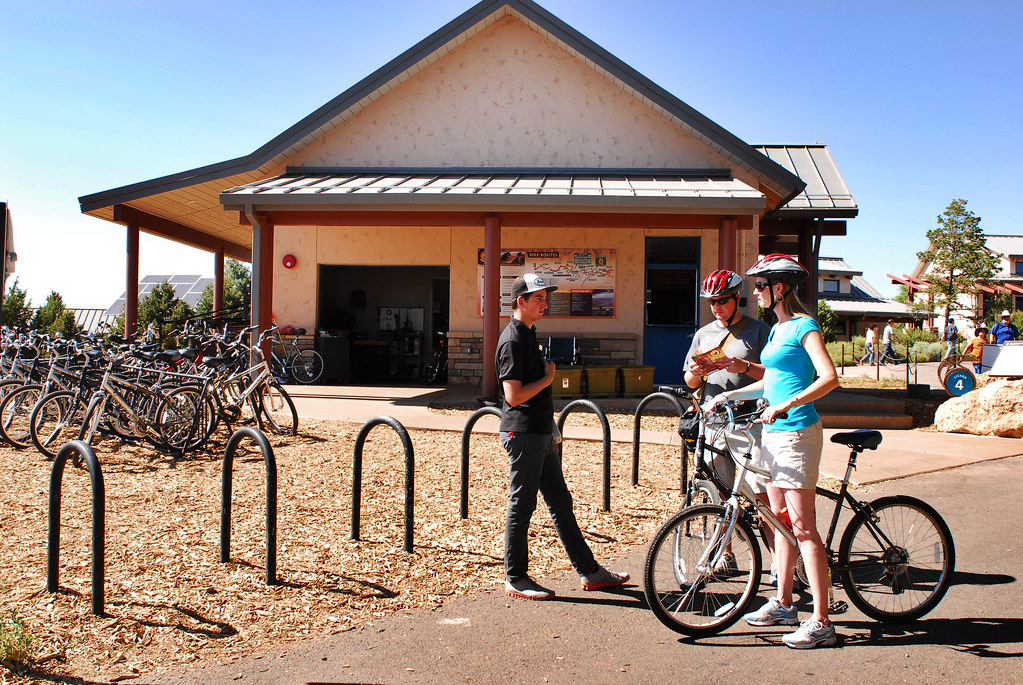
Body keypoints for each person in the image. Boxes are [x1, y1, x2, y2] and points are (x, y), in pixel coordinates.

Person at [709, 253, 840, 649]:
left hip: (798, 434)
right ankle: (783, 603)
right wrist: (730, 392)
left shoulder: (804, 326)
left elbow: (830, 377)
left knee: (803, 529)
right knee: (779, 521)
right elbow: (773, 381)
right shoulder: (777, 327)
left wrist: (788, 404)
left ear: (779, 288)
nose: (755, 292)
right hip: (773, 436)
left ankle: (821, 621)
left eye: (761, 285)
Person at [496, 273, 628, 601]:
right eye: (538, 298)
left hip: (539, 432)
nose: (544, 303)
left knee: (560, 503)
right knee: (522, 504)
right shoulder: (512, 339)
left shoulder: (528, 333)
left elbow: (533, 391)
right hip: (522, 432)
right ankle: (515, 577)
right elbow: (512, 395)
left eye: (545, 297)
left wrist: (552, 427)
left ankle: (589, 571)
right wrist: (549, 378)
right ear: (520, 302)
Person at [682, 269, 776, 577]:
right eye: (711, 302)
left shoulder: (760, 331)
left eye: (722, 300)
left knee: (762, 493)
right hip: (716, 421)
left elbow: (776, 376)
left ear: (738, 299)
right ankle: (726, 554)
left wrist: (744, 365)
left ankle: (779, 560)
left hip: (752, 421)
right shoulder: (703, 334)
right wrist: (699, 371)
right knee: (721, 492)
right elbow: (689, 381)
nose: (717, 307)